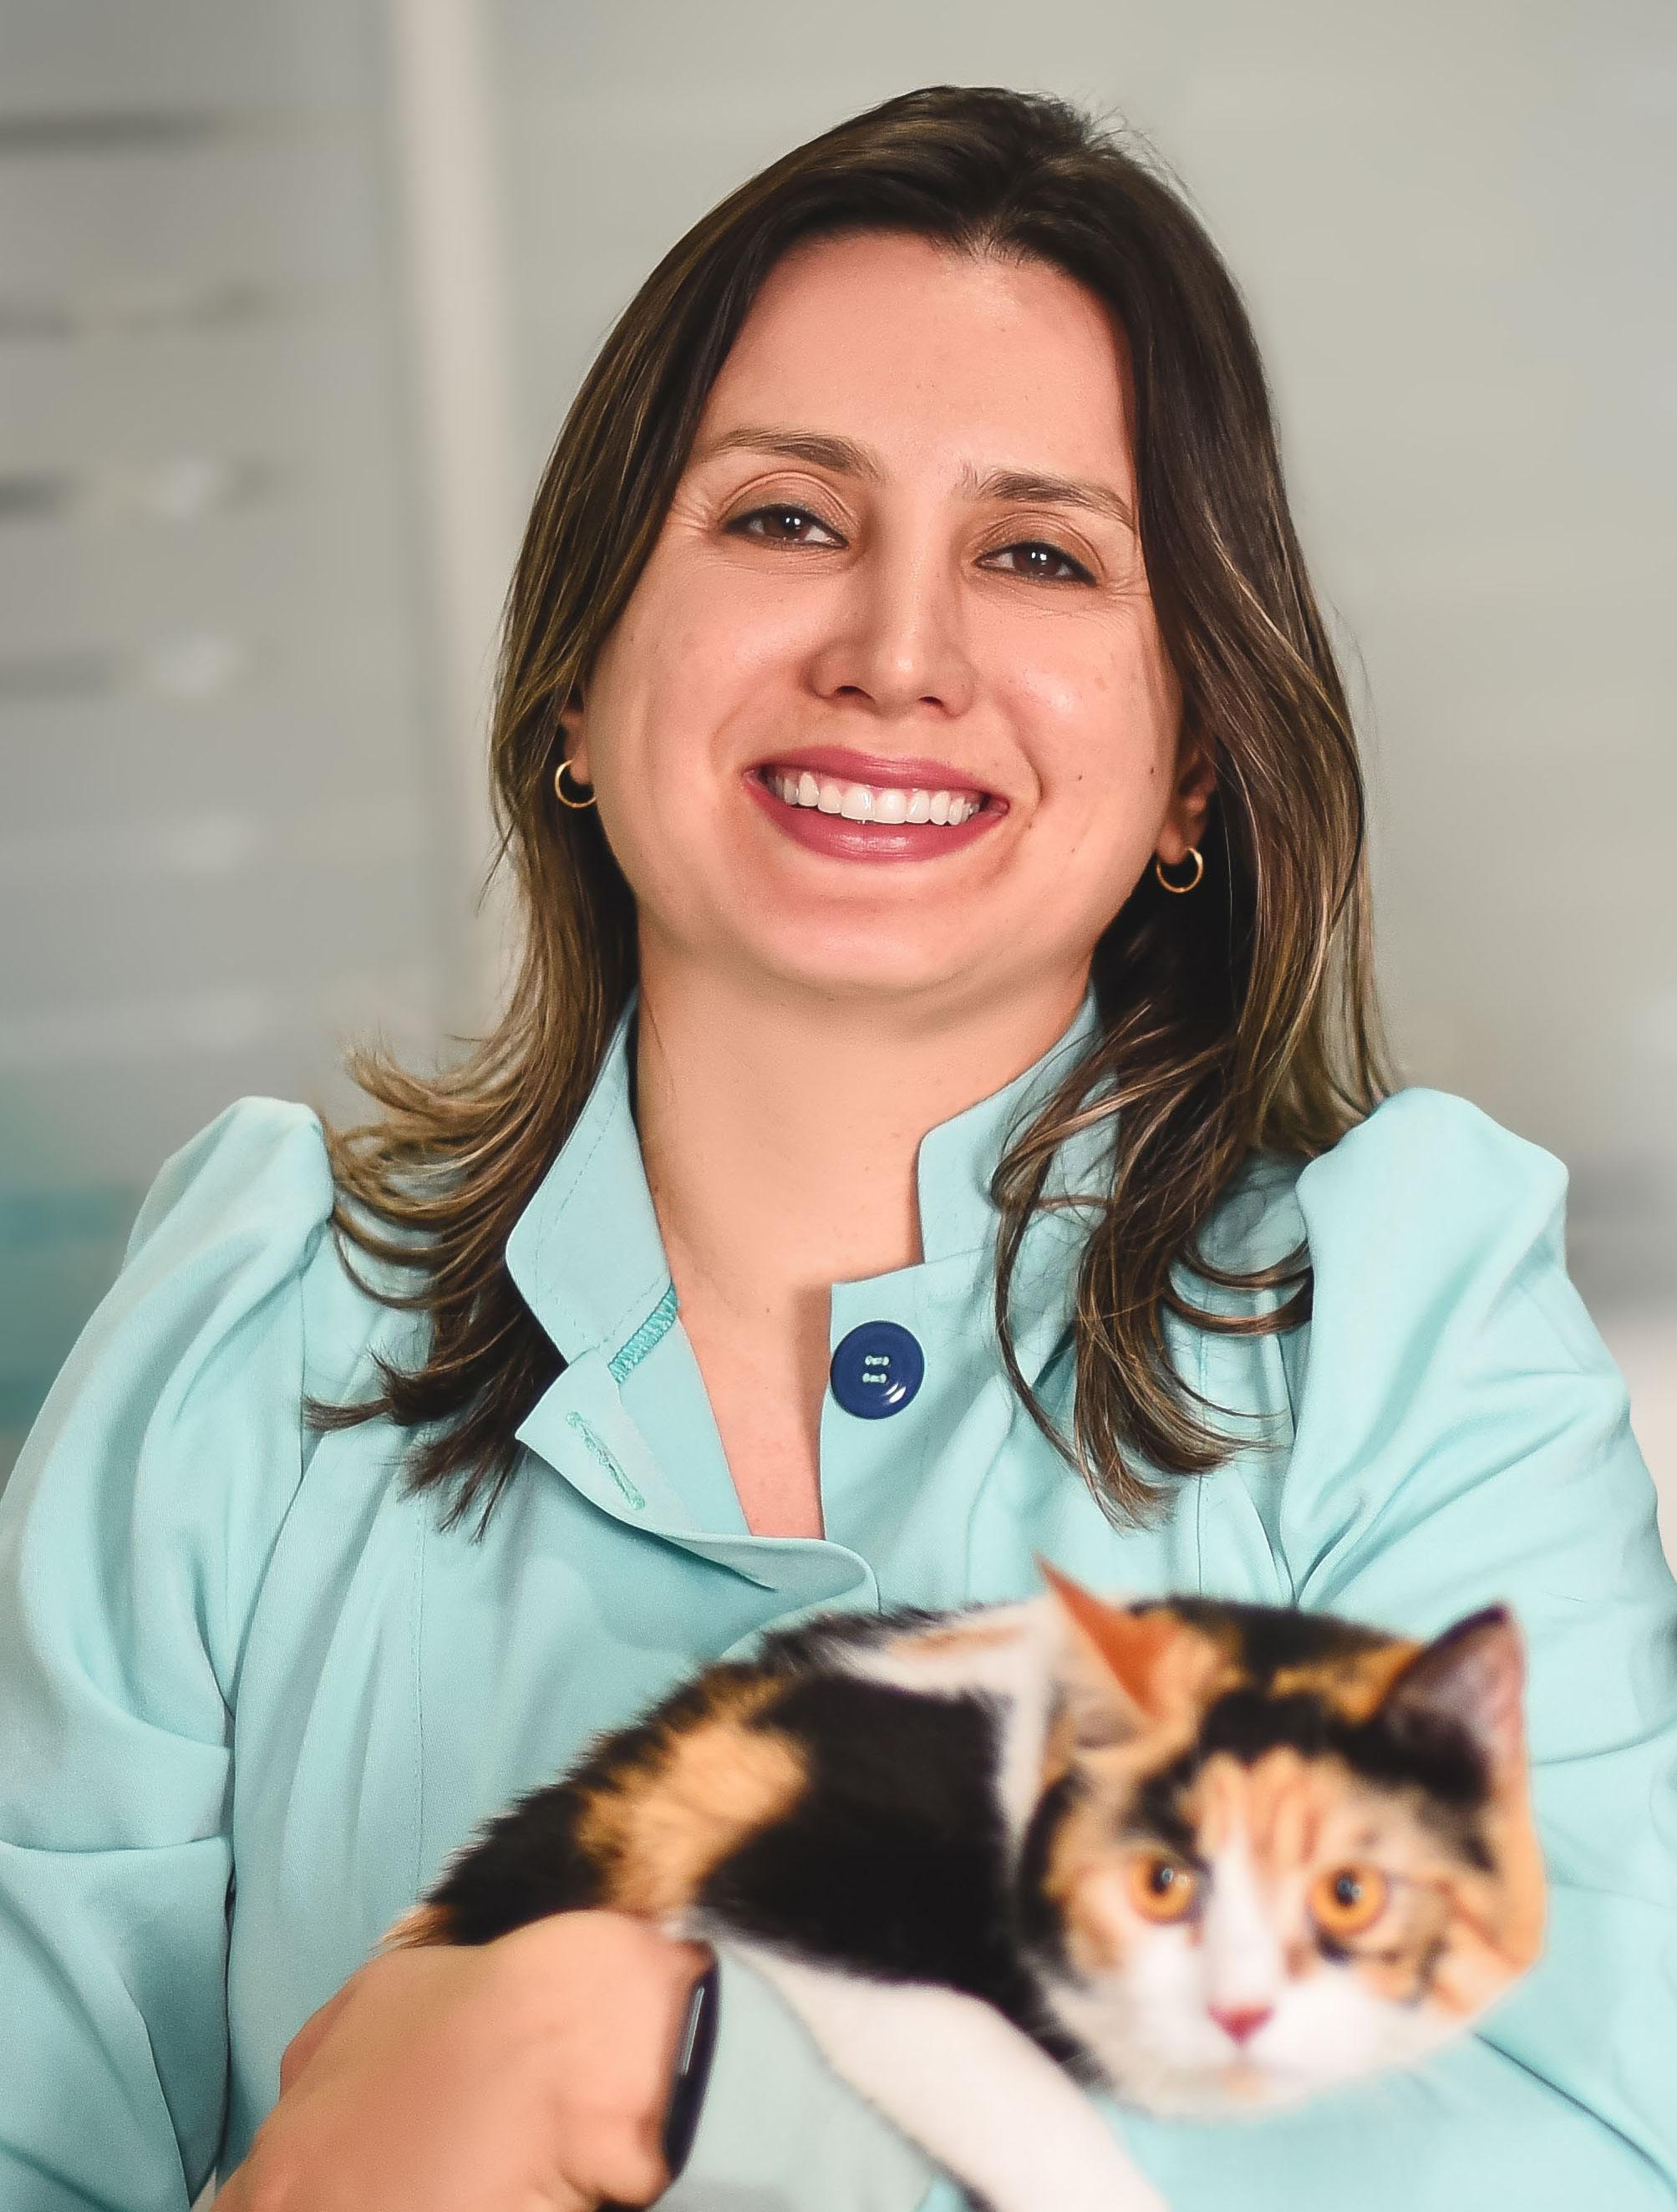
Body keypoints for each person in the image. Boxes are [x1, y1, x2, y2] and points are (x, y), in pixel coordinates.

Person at [2, 83, 1672, 2212]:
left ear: (1192, 764)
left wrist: (656, 2068)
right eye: (786, 519)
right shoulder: (248, 1337)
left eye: (1038, 554)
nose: (894, 656)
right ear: (576, 679)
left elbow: (1592, 2145)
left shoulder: (1396, 1337)